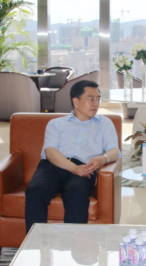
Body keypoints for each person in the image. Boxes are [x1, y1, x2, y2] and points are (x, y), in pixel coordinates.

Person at [25, 80, 120, 233]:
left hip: (85, 168)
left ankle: (74, 243)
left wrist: (102, 159)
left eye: (98, 99)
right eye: (90, 99)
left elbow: (114, 151)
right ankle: (35, 243)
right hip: (54, 165)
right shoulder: (56, 124)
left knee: (76, 193)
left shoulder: (104, 123)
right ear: (76, 101)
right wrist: (74, 168)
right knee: (35, 191)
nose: (95, 104)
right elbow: (50, 151)